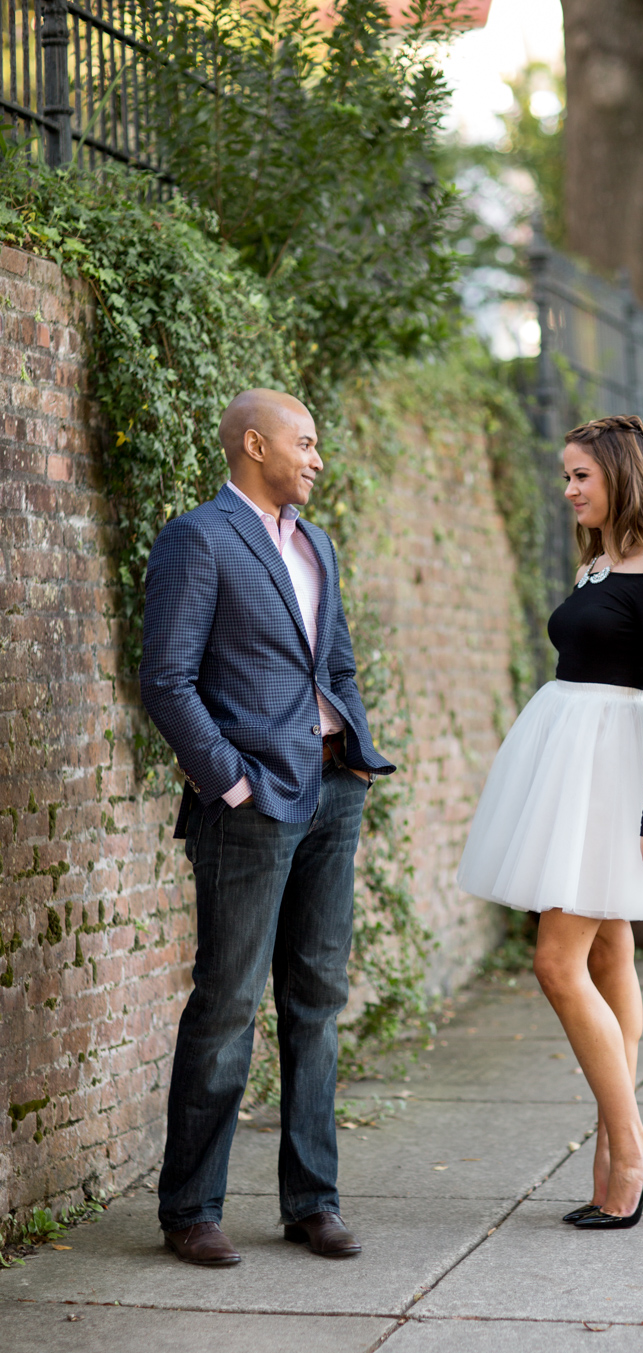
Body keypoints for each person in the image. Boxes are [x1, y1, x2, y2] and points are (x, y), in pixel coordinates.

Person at [140, 388, 394, 1267]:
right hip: (251, 805)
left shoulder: (316, 542)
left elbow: (340, 663)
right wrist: (230, 785)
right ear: (256, 444)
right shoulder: (198, 538)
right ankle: (190, 1209)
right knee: (229, 1002)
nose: (318, 457)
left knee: (317, 1000)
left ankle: (311, 1202)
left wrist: (356, 751)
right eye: (306, 442)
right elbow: (167, 681)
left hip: (332, 792)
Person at [457, 415, 643, 1230]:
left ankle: (633, 1146)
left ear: (621, 475)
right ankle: (619, 1149)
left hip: (611, 776)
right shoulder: (599, 562)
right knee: (608, 950)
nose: (568, 489)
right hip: (568, 761)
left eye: (581, 476)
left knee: (555, 963)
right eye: (566, 475)